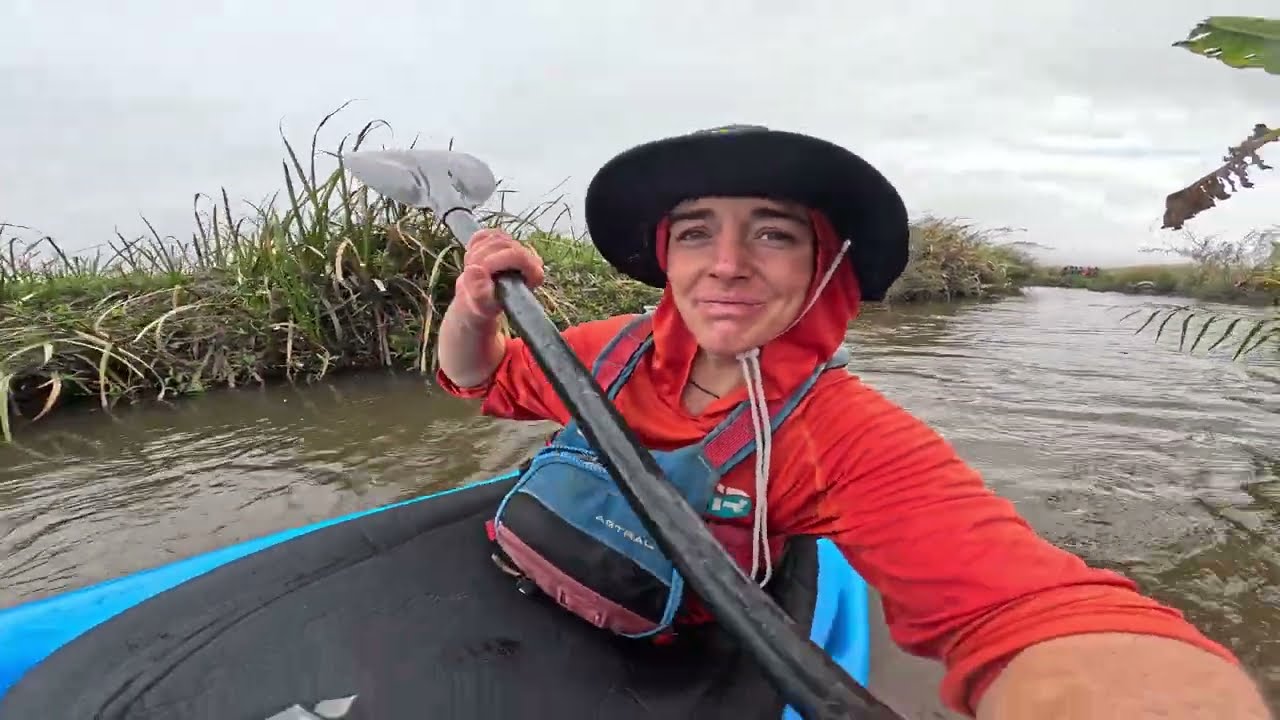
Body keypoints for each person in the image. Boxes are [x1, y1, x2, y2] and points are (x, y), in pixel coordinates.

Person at [434, 125, 1271, 719]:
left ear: (824, 266)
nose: (726, 265)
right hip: (521, 590)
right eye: (695, 234)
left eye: (772, 234)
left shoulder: (845, 437)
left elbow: (1025, 608)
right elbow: (479, 380)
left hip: (664, 656)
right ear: (667, 257)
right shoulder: (603, 351)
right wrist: (474, 309)